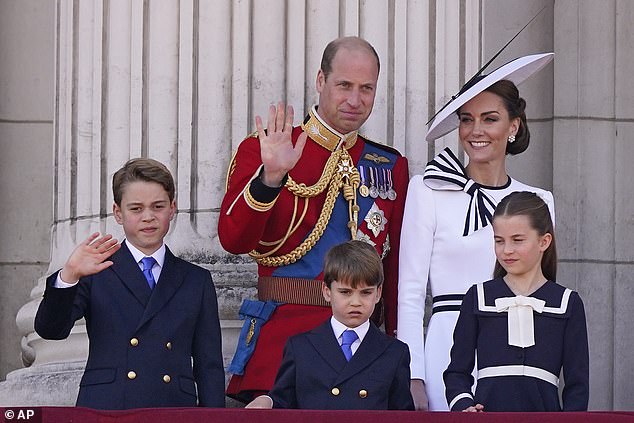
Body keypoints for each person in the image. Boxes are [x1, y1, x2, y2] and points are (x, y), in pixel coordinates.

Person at [219, 36, 409, 402]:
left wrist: (396, 346)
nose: (355, 100)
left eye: (366, 88)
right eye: (344, 86)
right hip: (282, 349)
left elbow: (395, 266)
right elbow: (233, 239)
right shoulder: (268, 147)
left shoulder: (389, 165)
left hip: (362, 355)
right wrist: (270, 177)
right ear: (321, 81)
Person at [397, 53, 556, 410]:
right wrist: (412, 374)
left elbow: (543, 296)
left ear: (513, 126)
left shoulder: (537, 201)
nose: (476, 131)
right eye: (467, 120)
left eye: (490, 119)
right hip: (446, 348)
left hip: (518, 349)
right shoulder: (428, 190)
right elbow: (409, 293)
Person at [35, 158, 225, 410]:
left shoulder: (195, 280)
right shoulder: (95, 270)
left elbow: (209, 364)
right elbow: (51, 330)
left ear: (172, 209)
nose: (148, 217)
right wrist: (69, 275)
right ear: (118, 213)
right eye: (136, 209)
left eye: (158, 206)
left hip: (173, 408)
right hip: (107, 408)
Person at [444, 191, 589, 411]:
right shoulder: (477, 297)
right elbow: (456, 372)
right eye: (499, 241)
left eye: (517, 240)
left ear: (544, 241)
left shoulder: (568, 303)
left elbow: (577, 386)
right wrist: (465, 406)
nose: (507, 250)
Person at [245, 241, 414, 410]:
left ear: (378, 293)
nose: (356, 302)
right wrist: (268, 401)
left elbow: (402, 414)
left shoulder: (395, 352)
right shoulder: (300, 348)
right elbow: (283, 402)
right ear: (327, 291)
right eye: (345, 292)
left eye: (366, 293)